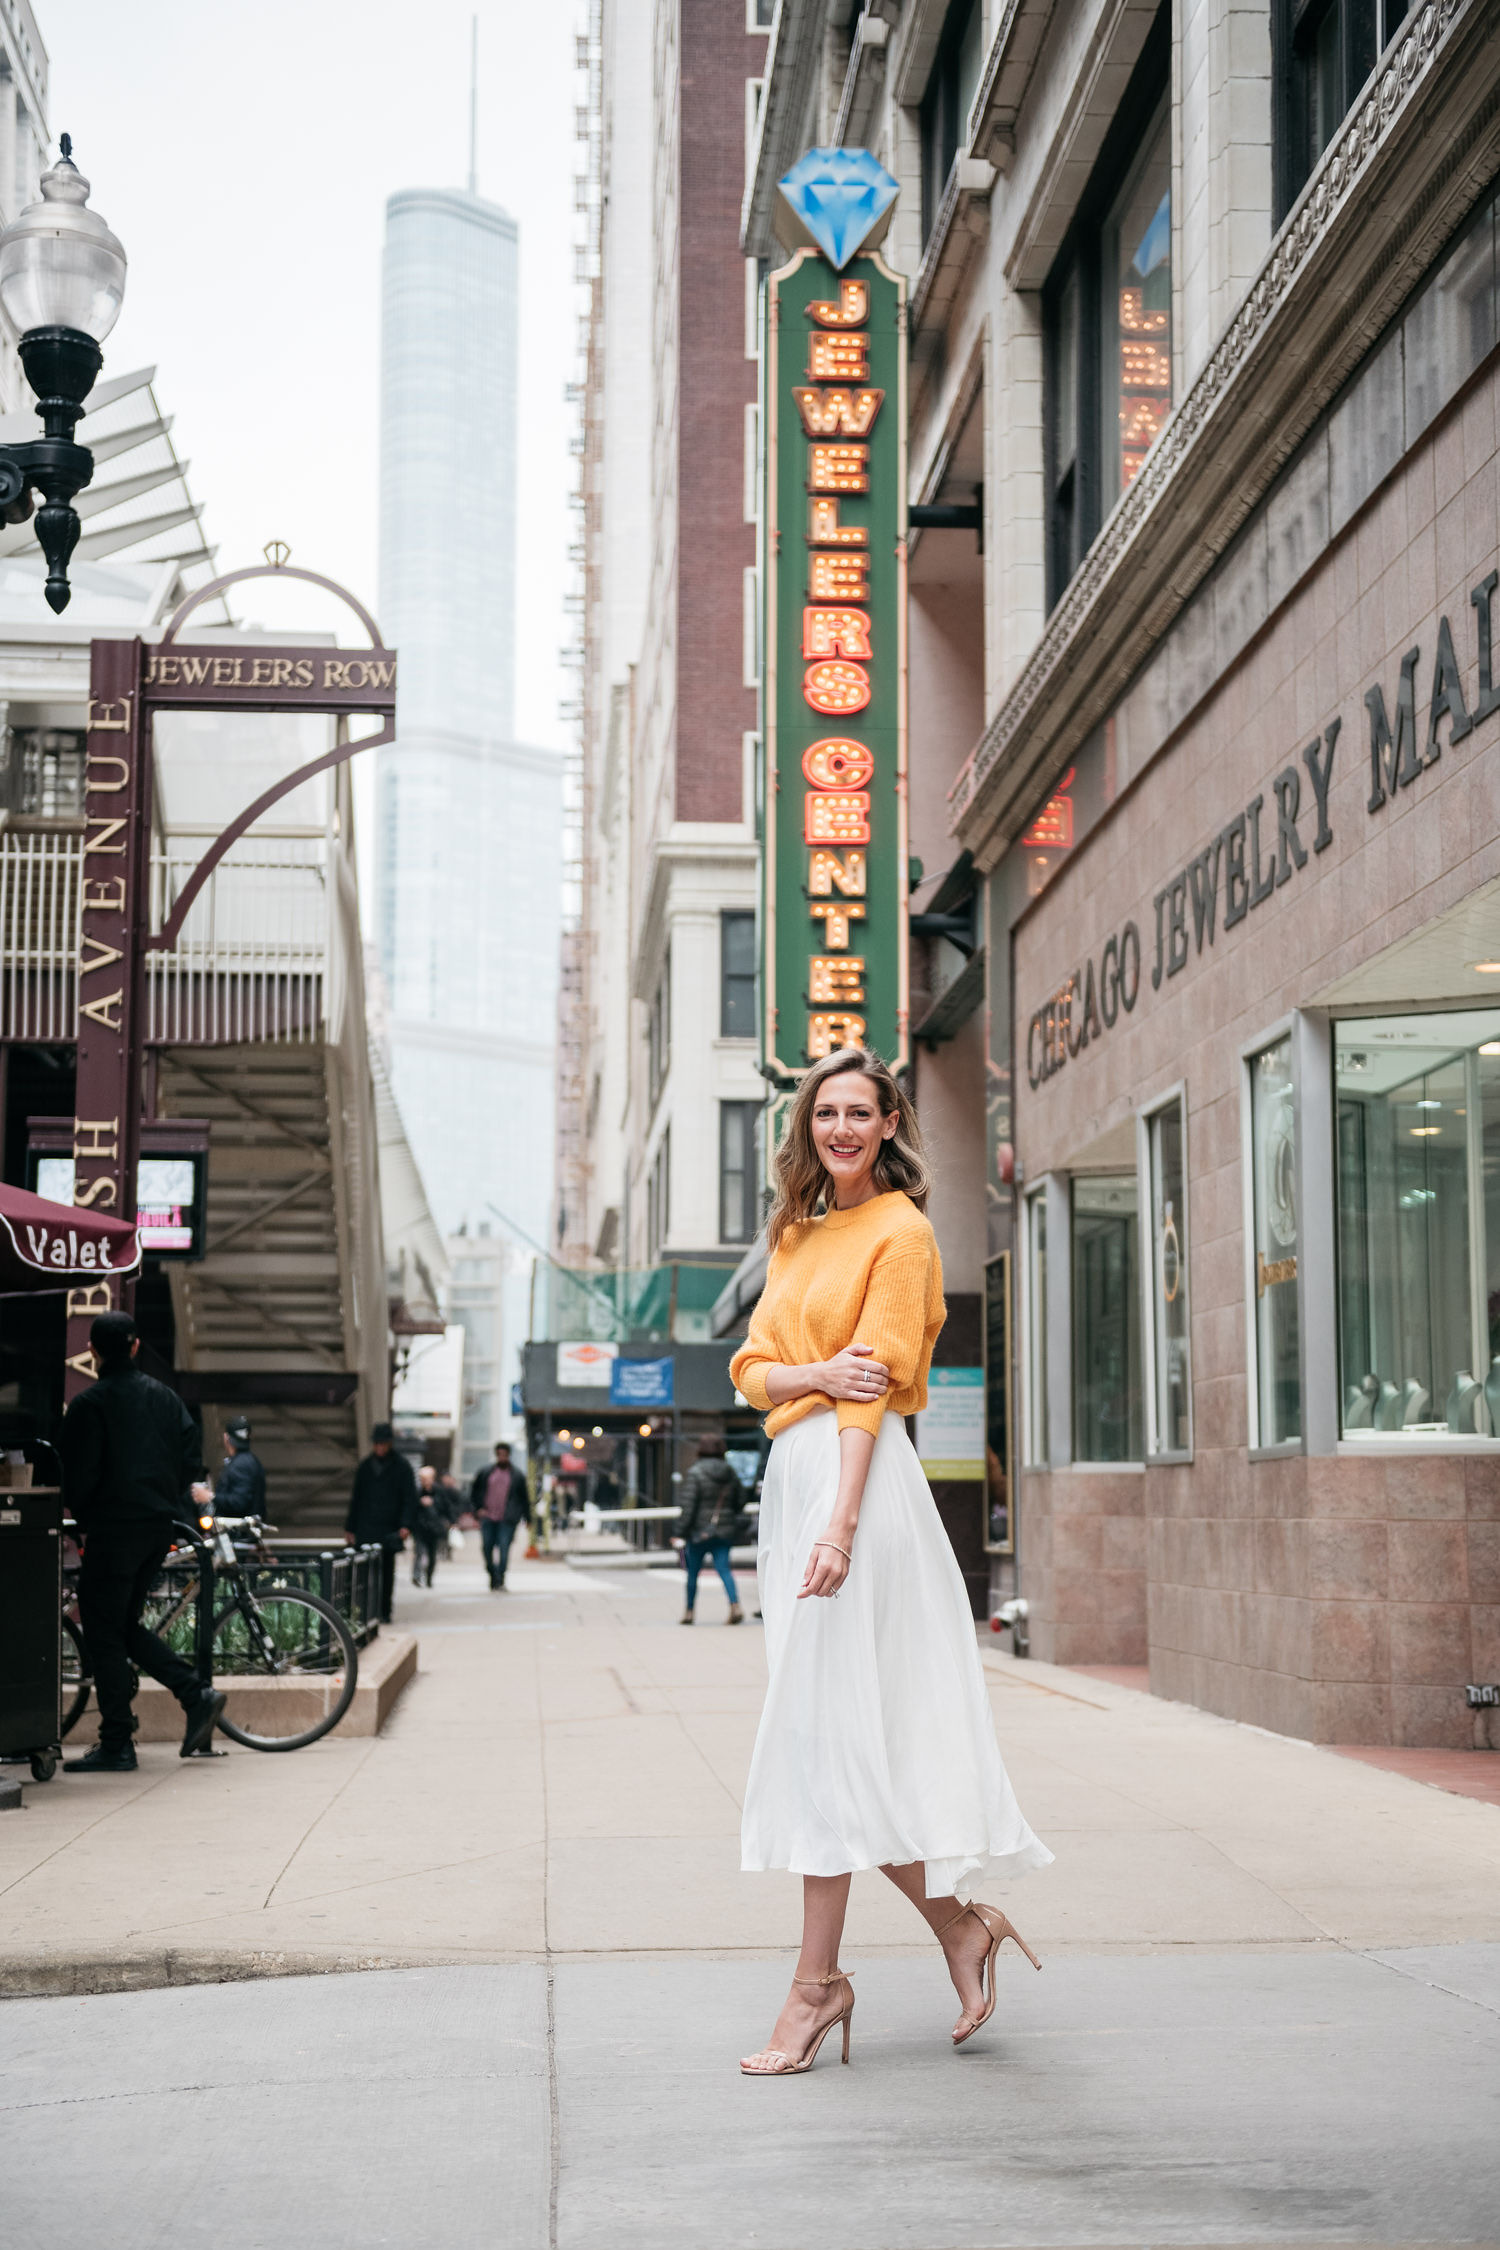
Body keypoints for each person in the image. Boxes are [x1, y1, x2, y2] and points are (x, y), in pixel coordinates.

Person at [729, 1046, 1051, 2076]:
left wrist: (842, 1524)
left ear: (891, 1121)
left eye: (861, 1113)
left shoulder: (902, 1232)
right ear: (808, 1126)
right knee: (836, 1738)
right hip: (796, 1477)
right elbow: (750, 1372)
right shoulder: (796, 1231)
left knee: (826, 1739)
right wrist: (808, 1374)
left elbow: (865, 1396)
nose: (843, 1130)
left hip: (854, 1485)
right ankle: (959, 1928)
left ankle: (816, 1988)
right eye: (828, 1113)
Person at [58, 1311, 227, 1772]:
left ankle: (118, 1741)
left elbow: (76, 1477)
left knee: (103, 1631)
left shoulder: (90, 1405)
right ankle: (195, 1695)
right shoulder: (168, 1400)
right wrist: (162, 1497)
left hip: (114, 1531)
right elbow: (190, 1460)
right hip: (159, 1528)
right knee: (120, 1626)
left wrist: (89, 1512)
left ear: (92, 1351)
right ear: (135, 1347)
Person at [345, 1422, 417, 1623]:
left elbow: (409, 1498)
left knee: (386, 1573)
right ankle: (365, 1612)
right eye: (377, 1444)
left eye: (383, 1444)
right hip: (366, 1526)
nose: (380, 1448)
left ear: (389, 1443)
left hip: (389, 1527)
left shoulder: (402, 1467)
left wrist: (405, 1525)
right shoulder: (366, 1467)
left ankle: (384, 1611)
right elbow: (356, 1499)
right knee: (363, 1572)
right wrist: (350, 1527)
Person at [674, 1436, 746, 1625]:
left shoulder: (695, 1472)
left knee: (692, 1573)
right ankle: (735, 1605)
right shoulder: (730, 1472)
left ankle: (689, 1612)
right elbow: (741, 1499)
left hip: (699, 1533)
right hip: (724, 1531)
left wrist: (679, 1531)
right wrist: (728, 1515)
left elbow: (688, 1507)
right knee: (724, 1569)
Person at [468, 1440, 531, 1589]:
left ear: (509, 1455)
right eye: (499, 1454)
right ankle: (492, 1573)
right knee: (486, 1547)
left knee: (504, 1549)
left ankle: (500, 1577)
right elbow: (474, 1493)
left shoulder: (517, 1475)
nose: (502, 1457)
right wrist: (478, 1510)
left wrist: (528, 1518)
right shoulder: (485, 1472)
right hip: (488, 1516)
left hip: (507, 1518)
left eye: (505, 1455)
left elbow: (524, 1498)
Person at [214, 1416, 266, 1518]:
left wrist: (211, 1497)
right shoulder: (250, 1461)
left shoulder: (240, 1464)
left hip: (238, 1530)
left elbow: (239, 1502)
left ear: (226, 1437)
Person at [409, 1465, 444, 1588]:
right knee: (419, 1552)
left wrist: (433, 1503)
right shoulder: (417, 1492)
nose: (425, 1481)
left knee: (432, 1555)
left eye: (427, 1478)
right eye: (422, 1479)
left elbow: (445, 1508)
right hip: (420, 1528)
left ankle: (429, 1577)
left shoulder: (439, 1492)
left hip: (434, 1529)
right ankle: (416, 1576)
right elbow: (411, 1509)